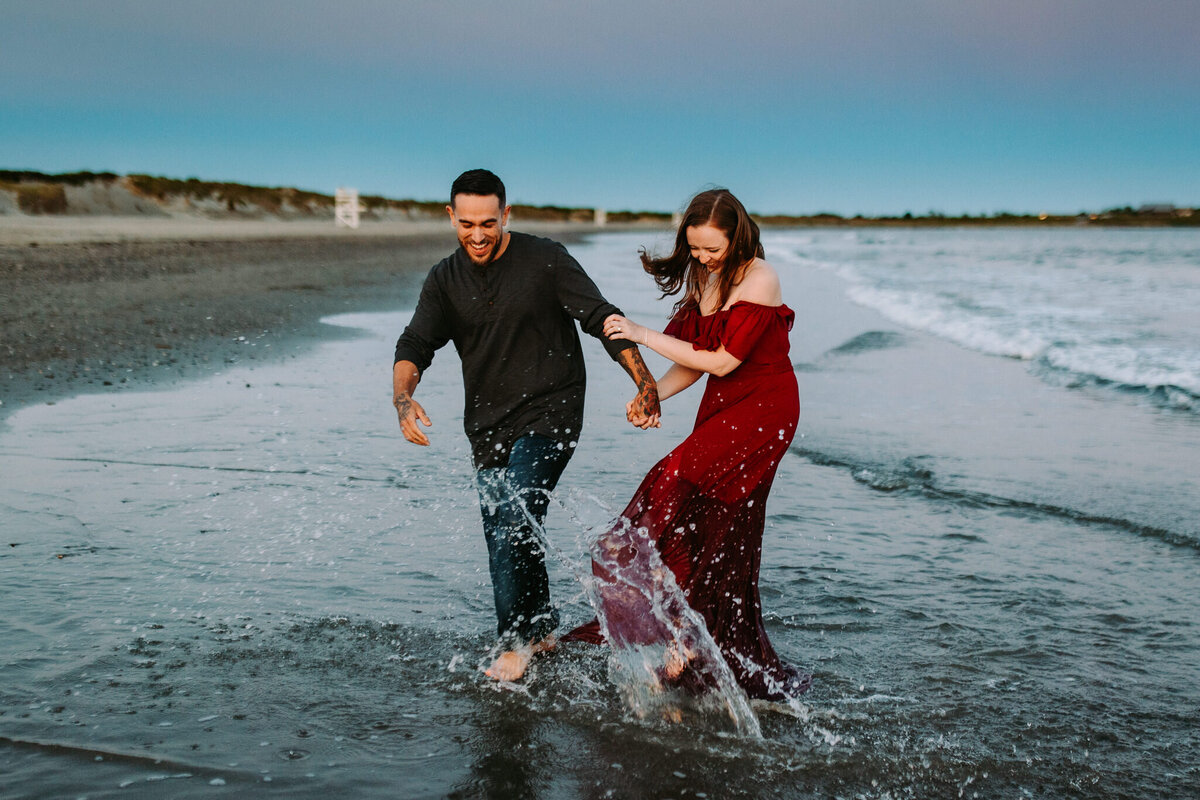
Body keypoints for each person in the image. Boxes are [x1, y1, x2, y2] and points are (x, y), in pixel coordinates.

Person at [392, 169, 660, 683]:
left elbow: (603, 318)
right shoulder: (444, 280)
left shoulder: (546, 260)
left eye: (487, 223)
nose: (477, 234)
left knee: (515, 512)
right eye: (466, 223)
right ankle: (538, 628)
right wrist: (404, 399)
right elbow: (413, 345)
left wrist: (643, 379)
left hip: (551, 411)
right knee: (504, 531)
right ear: (451, 217)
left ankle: (515, 643)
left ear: (505, 215)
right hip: (487, 425)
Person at [563, 188, 812, 701]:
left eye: (711, 249)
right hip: (725, 405)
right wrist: (652, 392)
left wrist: (640, 332)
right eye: (694, 248)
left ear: (737, 237)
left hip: (766, 410)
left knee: (672, 481)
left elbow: (721, 359)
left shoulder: (760, 277)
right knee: (715, 525)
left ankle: (684, 633)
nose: (701, 258)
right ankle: (693, 641)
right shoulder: (705, 276)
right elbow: (694, 362)